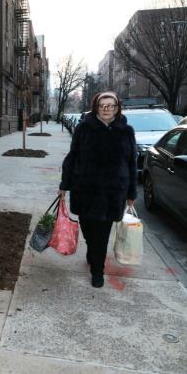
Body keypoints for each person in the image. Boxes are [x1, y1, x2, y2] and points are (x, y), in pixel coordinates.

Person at [58, 91, 137, 288]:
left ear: (117, 109)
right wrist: (64, 185)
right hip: (85, 189)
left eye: (111, 105)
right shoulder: (84, 128)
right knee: (87, 229)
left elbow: (131, 162)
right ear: (96, 107)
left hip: (112, 192)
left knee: (101, 234)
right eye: (103, 105)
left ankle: (97, 271)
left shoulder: (126, 131)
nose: (107, 109)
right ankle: (92, 251)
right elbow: (72, 157)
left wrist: (131, 193)